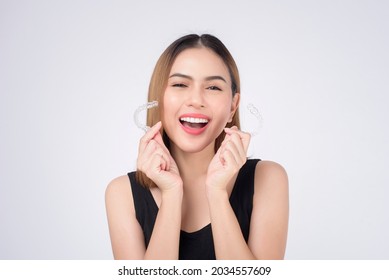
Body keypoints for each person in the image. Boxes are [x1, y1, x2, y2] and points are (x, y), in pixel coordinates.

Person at [105, 34, 289, 260]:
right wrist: (172, 194)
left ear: (233, 106)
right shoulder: (121, 194)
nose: (196, 100)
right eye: (180, 84)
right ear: (158, 98)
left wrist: (217, 193)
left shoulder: (267, 179)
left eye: (213, 87)